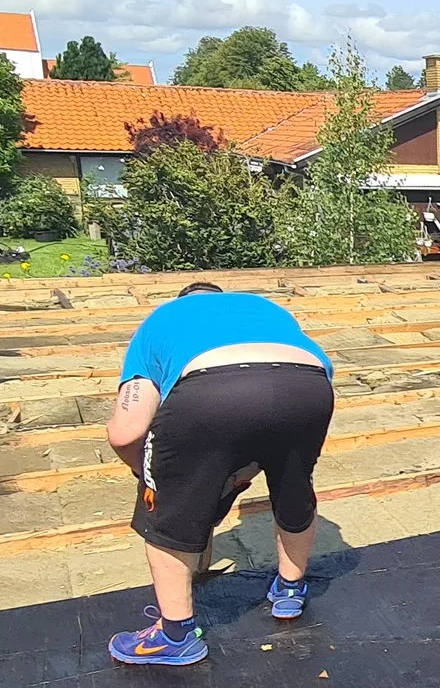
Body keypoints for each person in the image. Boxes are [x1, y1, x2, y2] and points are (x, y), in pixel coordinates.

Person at [103, 281, 336, 666]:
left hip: (212, 386)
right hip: (308, 386)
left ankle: (176, 636)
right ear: (220, 296)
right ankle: (290, 591)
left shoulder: (163, 318)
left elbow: (125, 432)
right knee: (294, 490)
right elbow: (275, 400)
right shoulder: (263, 307)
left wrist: (155, 479)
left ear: (183, 300)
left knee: (168, 515)